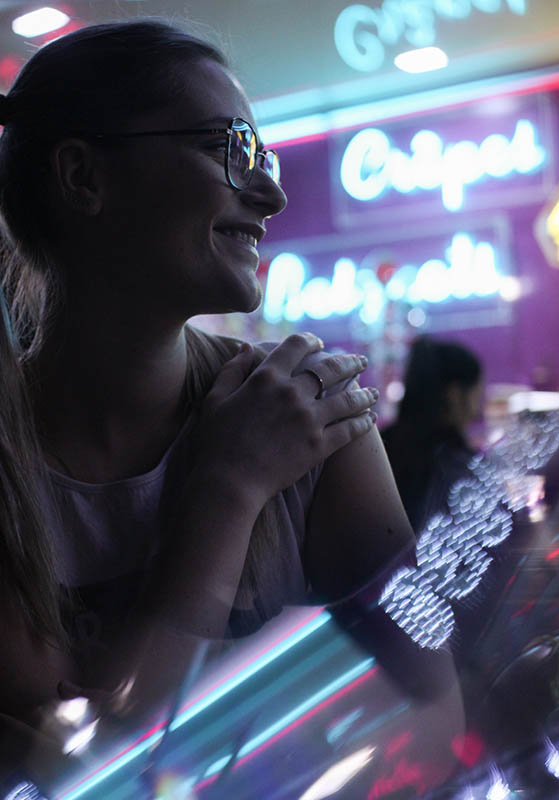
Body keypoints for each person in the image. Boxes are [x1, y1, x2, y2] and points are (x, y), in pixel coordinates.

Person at [0, 20, 418, 723]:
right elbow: (94, 773)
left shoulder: (311, 410)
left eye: (263, 155)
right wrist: (229, 488)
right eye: (228, 148)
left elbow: (432, 707)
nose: (270, 195)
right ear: (83, 176)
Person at [382, 336, 483, 535]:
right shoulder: (455, 464)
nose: (477, 410)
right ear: (454, 395)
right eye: (478, 395)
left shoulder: (382, 446)